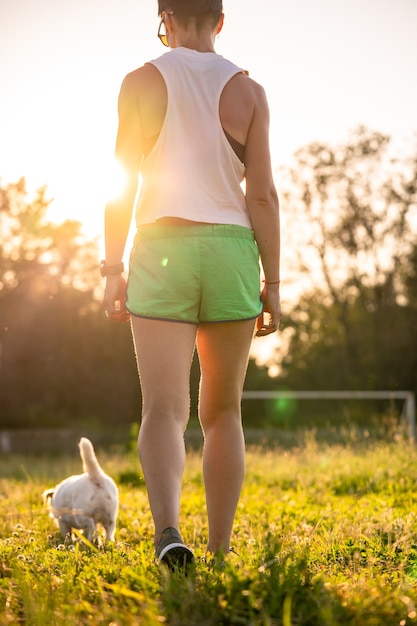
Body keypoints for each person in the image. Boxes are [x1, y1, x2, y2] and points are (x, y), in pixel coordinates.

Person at [102, 0, 281, 570]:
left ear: (166, 17)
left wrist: (111, 268)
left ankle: (168, 534)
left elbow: (121, 180)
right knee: (223, 413)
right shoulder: (249, 92)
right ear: (221, 20)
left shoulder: (139, 81)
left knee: (162, 411)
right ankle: (221, 551)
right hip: (231, 251)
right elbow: (263, 197)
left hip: (162, 248)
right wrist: (272, 282)